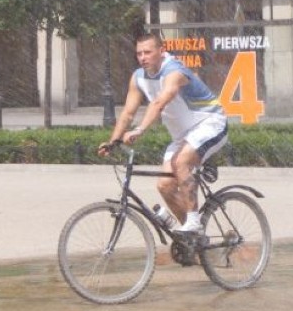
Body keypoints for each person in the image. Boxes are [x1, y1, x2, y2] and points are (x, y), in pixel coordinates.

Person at [98, 32, 228, 234]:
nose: (143, 57)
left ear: (161, 51)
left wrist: (140, 130)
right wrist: (113, 141)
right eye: (139, 53)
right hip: (183, 136)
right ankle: (194, 238)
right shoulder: (138, 77)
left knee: (182, 162)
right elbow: (128, 112)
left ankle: (194, 220)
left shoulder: (174, 71)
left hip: (210, 123)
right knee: (165, 185)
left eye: (148, 52)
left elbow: (159, 102)